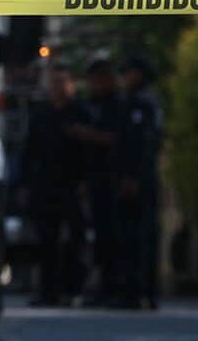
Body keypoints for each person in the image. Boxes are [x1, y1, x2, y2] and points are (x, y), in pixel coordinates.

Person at [22, 62, 92, 307]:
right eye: (54, 83)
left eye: (63, 82)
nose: (58, 88)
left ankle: (73, 289)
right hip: (46, 184)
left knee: (76, 240)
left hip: (74, 183)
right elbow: (29, 150)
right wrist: (25, 183)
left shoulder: (82, 113)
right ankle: (47, 291)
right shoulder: (42, 114)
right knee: (46, 241)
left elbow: (91, 152)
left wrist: (86, 180)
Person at [76, 58, 125, 306]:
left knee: (113, 236)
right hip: (95, 178)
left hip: (114, 178)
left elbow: (120, 140)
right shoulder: (92, 105)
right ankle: (104, 286)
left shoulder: (119, 105)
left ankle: (116, 286)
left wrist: (89, 135)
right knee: (99, 236)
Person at [115, 55, 162, 310]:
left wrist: (135, 177)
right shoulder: (130, 102)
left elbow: (146, 143)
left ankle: (143, 291)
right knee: (129, 237)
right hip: (129, 177)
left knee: (140, 237)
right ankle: (131, 291)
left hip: (141, 179)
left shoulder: (144, 104)